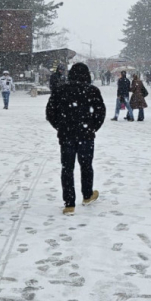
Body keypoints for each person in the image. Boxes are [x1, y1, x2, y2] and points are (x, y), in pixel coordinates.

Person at [46, 63, 106, 214]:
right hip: (86, 135)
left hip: (66, 134)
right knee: (86, 165)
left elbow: (50, 112)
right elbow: (100, 113)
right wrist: (92, 128)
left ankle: (69, 203)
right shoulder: (92, 91)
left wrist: (60, 126)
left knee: (67, 168)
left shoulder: (60, 90)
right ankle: (87, 194)